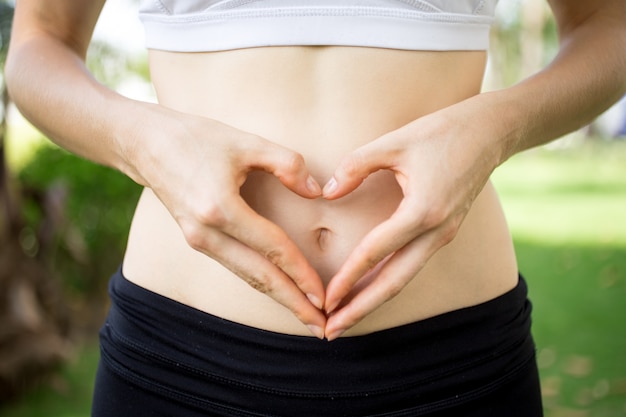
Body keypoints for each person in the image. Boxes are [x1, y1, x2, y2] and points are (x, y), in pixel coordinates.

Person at [5, 0, 626, 415]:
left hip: (451, 360)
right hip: (183, 357)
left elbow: (607, 28)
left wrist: (495, 131)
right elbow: (38, 50)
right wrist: (147, 144)